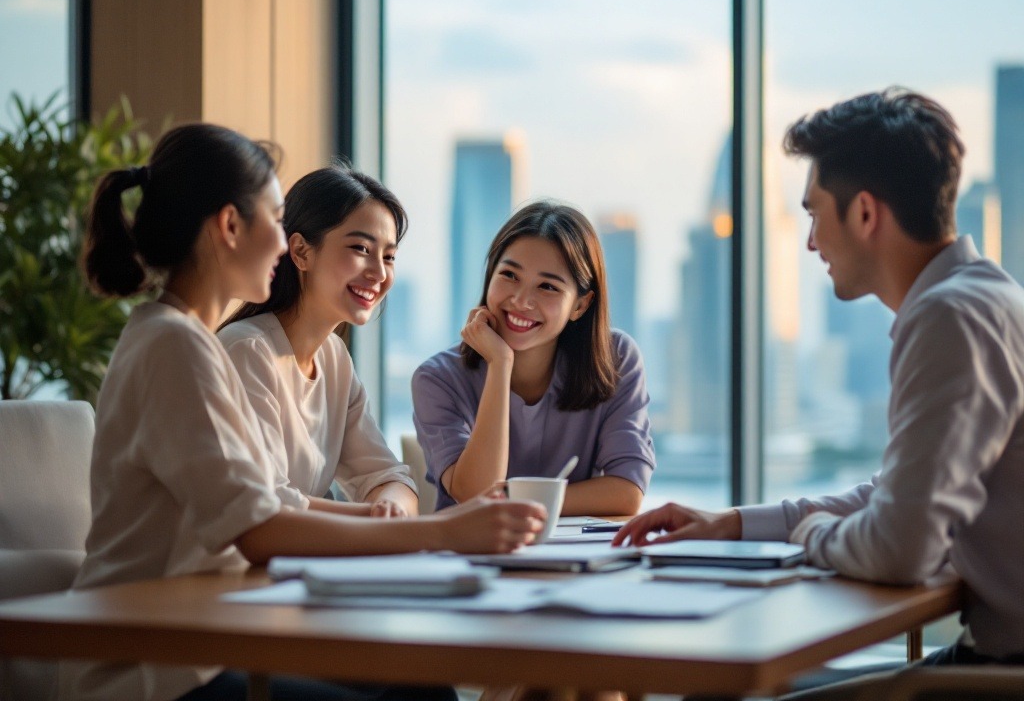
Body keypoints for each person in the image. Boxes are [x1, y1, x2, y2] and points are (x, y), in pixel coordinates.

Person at [64, 123, 545, 701]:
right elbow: (260, 526)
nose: (280, 242)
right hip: (154, 669)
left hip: (208, 639)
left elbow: (285, 502)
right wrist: (437, 532)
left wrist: (411, 525)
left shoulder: (182, 339)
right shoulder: (184, 346)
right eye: (274, 219)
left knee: (418, 688)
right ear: (230, 227)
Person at [614, 89, 1024, 697]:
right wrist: (732, 524)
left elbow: (898, 547)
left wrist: (807, 537)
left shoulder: (949, 320)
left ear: (864, 213)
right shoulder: (987, 297)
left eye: (814, 214)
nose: (809, 243)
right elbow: (895, 496)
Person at [413, 201, 655, 516]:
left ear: (580, 306)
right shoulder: (437, 378)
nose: (521, 301)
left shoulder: (617, 359)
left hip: (578, 557)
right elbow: (476, 496)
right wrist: (500, 364)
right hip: (472, 557)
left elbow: (626, 492)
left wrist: (513, 497)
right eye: (510, 275)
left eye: (547, 286)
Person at [219, 166, 417, 518]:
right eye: (360, 248)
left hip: (288, 563)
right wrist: (378, 521)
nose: (379, 272)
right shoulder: (247, 351)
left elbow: (387, 475)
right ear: (301, 252)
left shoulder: (333, 358)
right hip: (220, 569)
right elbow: (267, 505)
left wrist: (392, 509)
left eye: (388, 256)